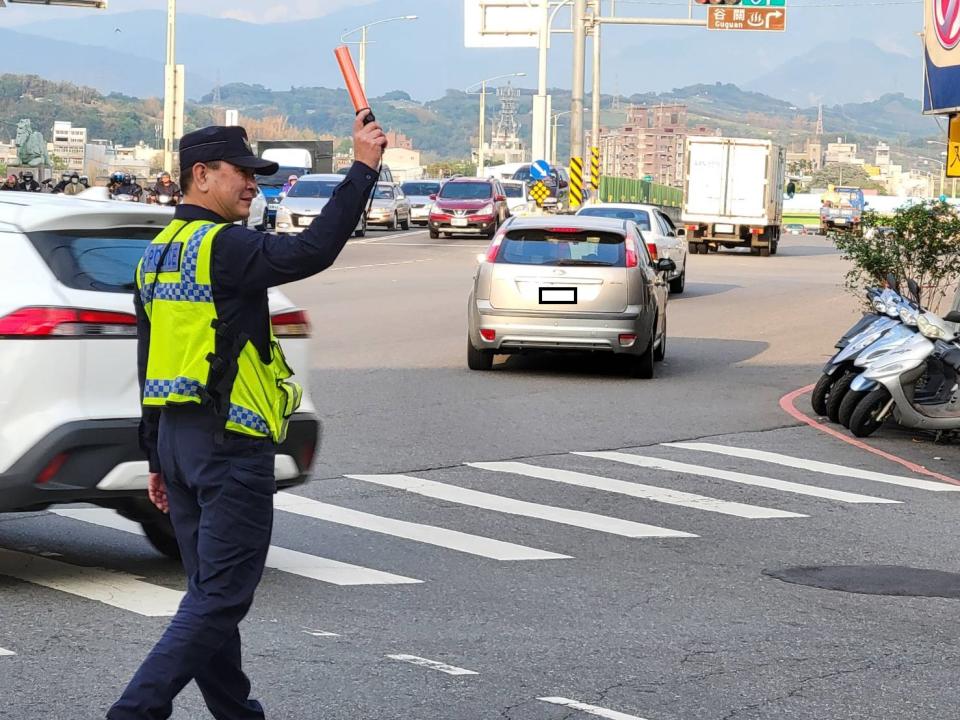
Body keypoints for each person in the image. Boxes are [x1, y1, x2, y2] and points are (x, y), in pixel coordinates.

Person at [107, 113, 386, 720]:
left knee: (209, 598)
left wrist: (156, 456)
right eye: (244, 174)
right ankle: (135, 711)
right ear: (201, 175)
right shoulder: (225, 248)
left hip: (180, 443)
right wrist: (363, 168)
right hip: (230, 441)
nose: (254, 186)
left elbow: (149, 358)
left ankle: (237, 715)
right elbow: (312, 249)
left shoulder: (156, 255)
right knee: (221, 598)